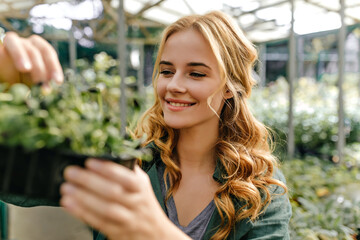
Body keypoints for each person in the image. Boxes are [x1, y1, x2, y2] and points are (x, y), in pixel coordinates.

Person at [0, 11, 291, 240]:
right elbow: (15, 184)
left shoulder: (260, 186)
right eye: (166, 71)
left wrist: (155, 230)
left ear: (230, 87)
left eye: (196, 74)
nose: (174, 85)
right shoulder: (128, 159)